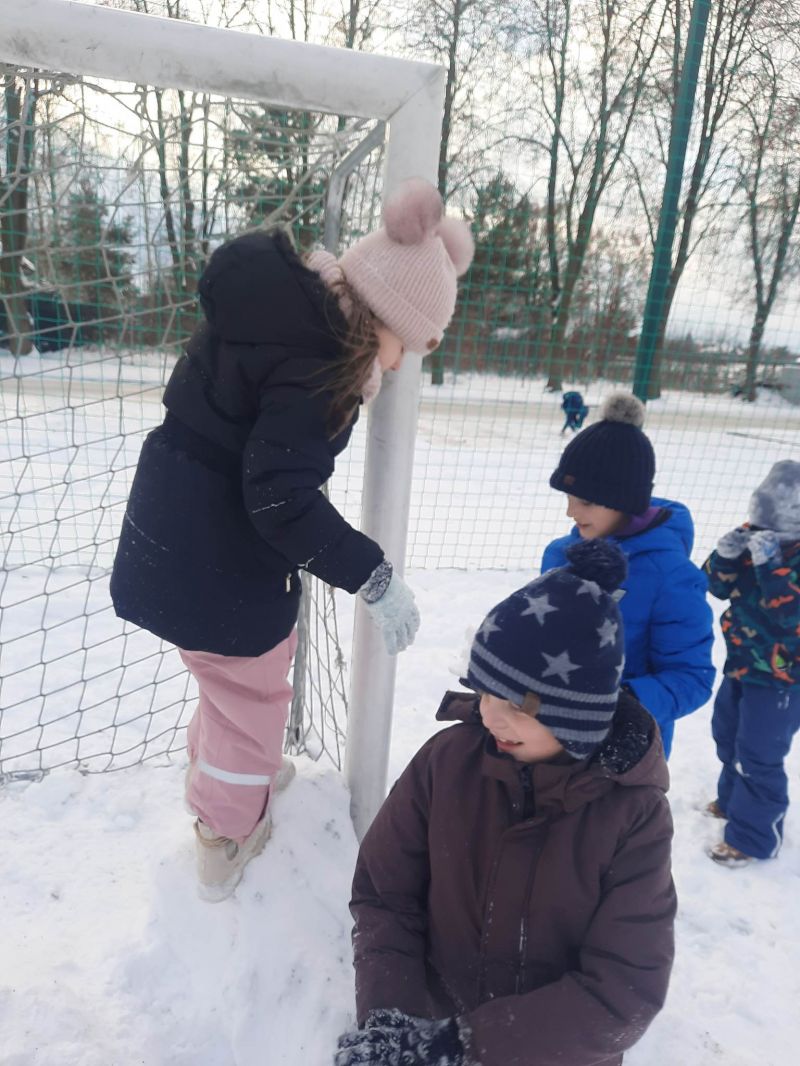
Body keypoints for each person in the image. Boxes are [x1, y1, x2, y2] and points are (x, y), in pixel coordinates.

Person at [109, 177, 474, 901]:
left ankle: (224, 777)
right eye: (405, 346)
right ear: (382, 317)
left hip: (178, 539)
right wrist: (372, 575)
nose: (397, 365)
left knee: (230, 686)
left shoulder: (279, 324)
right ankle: (225, 835)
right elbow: (279, 497)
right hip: (216, 562)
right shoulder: (317, 366)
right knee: (251, 698)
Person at [335, 539, 676, 1066]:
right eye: (486, 690)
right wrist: (393, 1020)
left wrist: (466, 1046)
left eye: (517, 705)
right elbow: (386, 894)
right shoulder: (446, 764)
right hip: (431, 1026)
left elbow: (623, 991)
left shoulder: (632, 814)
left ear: (578, 715)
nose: (492, 716)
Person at [541, 391, 714, 758]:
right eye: (568, 498)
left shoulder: (670, 577)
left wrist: (619, 705)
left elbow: (691, 678)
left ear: (624, 500)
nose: (570, 512)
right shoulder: (560, 554)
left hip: (623, 751)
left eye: (585, 501)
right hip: (551, 737)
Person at [703, 460, 800, 867]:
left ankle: (754, 838)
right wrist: (724, 557)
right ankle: (731, 802)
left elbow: (790, 615)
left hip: (783, 678)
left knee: (759, 753)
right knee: (727, 736)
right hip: (742, 663)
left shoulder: (781, 552)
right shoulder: (755, 537)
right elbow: (715, 587)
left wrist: (771, 565)